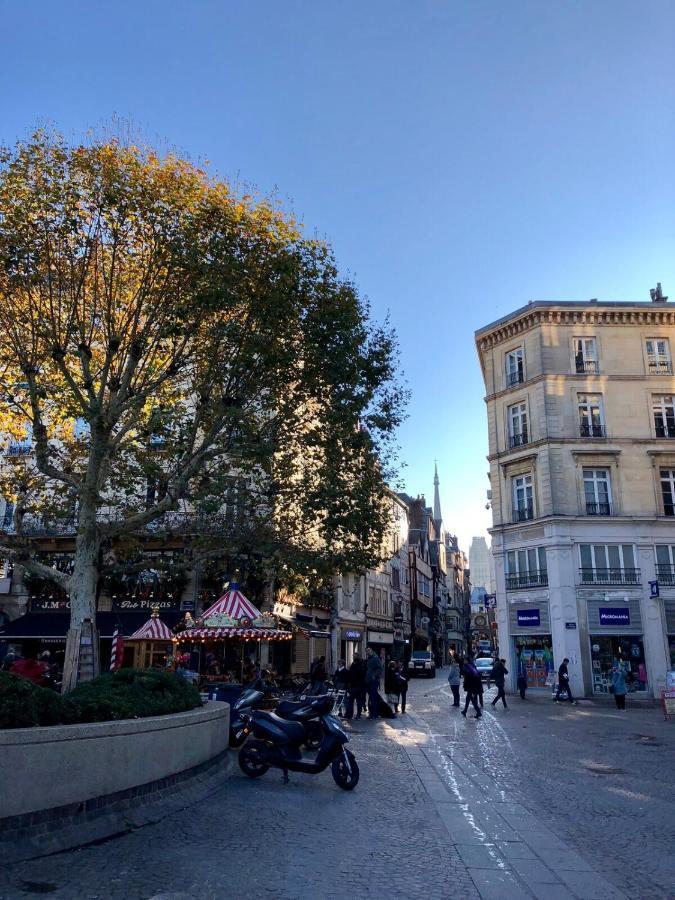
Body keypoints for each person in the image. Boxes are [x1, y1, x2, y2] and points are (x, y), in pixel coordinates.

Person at [345, 652, 366, 719]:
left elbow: (360, 673)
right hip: (354, 685)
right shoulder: (354, 664)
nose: (353, 657)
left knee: (356, 700)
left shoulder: (359, 664)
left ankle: (356, 715)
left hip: (358, 686)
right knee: (352, 700)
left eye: (354, 656)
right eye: (353, 656)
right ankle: (352, 714)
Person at [365, 647, 383, 719]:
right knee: (371, 697)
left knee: (373, 697)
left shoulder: (375, 658)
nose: (367, 652)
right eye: (366, 651)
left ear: (372, 651)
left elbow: (380, 668)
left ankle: (374, 714)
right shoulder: (368, 659)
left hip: (374, 681)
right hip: (368, 681)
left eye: (368, 651)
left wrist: (374, 675)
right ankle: (372, 713)